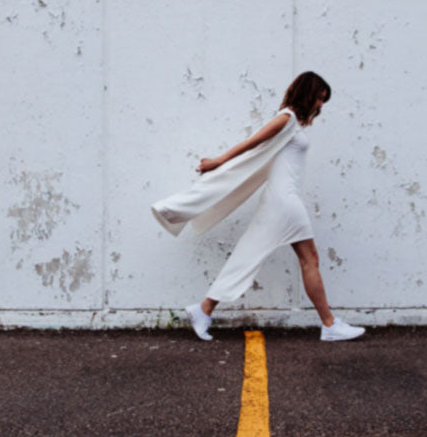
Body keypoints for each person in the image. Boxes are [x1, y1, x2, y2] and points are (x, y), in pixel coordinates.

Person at [151, 71, 365, 342]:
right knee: (309, 259)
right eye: (319, 98)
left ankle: (203, 309)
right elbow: (252, 143)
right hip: (285, 202)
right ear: (307, 93)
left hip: (279, 201)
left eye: (323, 101)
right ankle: (330, 324)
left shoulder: (293, 124)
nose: (321, 106)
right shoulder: (286, 118)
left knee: (249, 254)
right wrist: (219, 161)